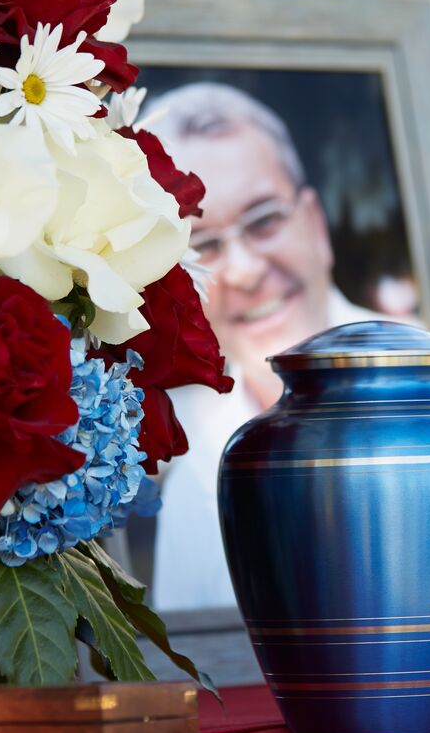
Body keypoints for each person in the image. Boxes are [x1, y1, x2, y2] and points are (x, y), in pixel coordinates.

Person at [137, 83, 395, 611]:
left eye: (266, 220)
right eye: (203, 245)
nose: (245, 270)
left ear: (316, 224)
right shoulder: (178, 446)